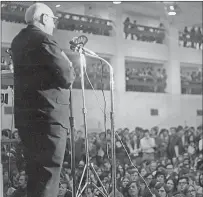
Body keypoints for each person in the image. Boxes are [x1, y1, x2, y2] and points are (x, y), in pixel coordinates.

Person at [11, 3, 75, 197]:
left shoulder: (17, 41)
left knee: (34, 175)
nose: (54, 25)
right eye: (53, 20)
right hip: (48, 119)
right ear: (45, 18)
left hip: (26, 119)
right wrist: (67, 61)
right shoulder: (44, 39)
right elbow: (67, 76)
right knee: (48, 176)